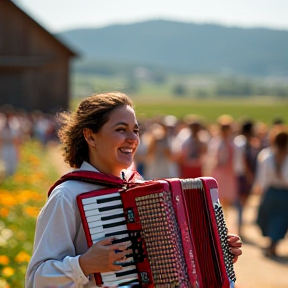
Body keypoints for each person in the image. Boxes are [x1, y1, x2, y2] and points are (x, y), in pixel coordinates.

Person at [25, 92, 242, 288]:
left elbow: (167, 264)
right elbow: (36, 280)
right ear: (90, 136)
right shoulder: (67, 196)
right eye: (121, 129)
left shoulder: (139, 187)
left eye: (135, 130)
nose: (133, 138)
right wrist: (83, 265)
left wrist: (214, 254)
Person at [255, 126, 288, 258]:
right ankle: (273, 244)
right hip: (284, 194)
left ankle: (271, 244)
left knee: (270, 218)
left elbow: (262, 178)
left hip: (271, 193)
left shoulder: (266, 155)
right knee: (280, 220)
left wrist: (261, 190)